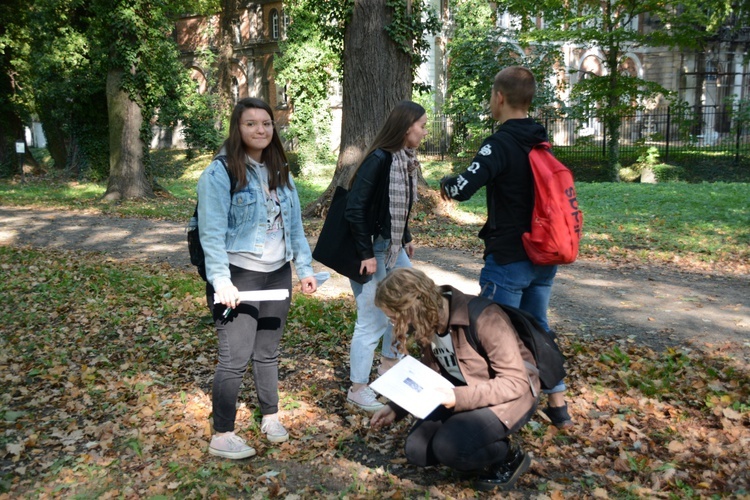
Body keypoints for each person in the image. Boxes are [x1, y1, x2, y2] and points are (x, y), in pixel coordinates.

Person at [439, 66, 573, 429]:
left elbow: (462, 188)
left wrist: (444, 183)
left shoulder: (499, 143)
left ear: (499, 97)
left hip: (510, 257)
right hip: (544, 255)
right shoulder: (539, 141)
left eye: (491, 96)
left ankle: (505, 410)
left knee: (498, 335)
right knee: (539, 328)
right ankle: (558, 404)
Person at [197, 97, 318, 459]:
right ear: (238, 128)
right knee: (234, 356)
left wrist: (305, 270)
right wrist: (222, 282)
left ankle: (270, 416)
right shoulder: (220, 172)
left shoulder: (280, 169)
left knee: (267, 352)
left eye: (266, 123)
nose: (260, 130)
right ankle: (222, 434)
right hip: (237, 276)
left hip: (277, 274)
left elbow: (294, 228)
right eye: (251, 123)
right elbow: (211, 233)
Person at [370, 268, 540, 491]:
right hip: (461, 390)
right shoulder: (427, 320)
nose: (393, 324)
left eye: (394, 318)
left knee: (450, 447)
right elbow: (430, 371)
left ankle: (508, 457)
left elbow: (515, 382)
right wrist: (396, 408)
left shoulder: (484, 317)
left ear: (412, 308)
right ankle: (468, 444)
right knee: (418, 450)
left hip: (510, 396)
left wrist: (458, 397)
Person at [344, 100, 429, 412]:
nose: (424, 131)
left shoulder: (405, 159)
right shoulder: (379, 159)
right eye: (422, 125)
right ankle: (358, 388)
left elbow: (397, 206)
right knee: (372, 319)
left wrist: (404, 236)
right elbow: (355, 208)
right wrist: (366, 254)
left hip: (390, 247)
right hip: (368, 250)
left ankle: (389, 365)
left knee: (408, 304)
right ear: (407, 127)